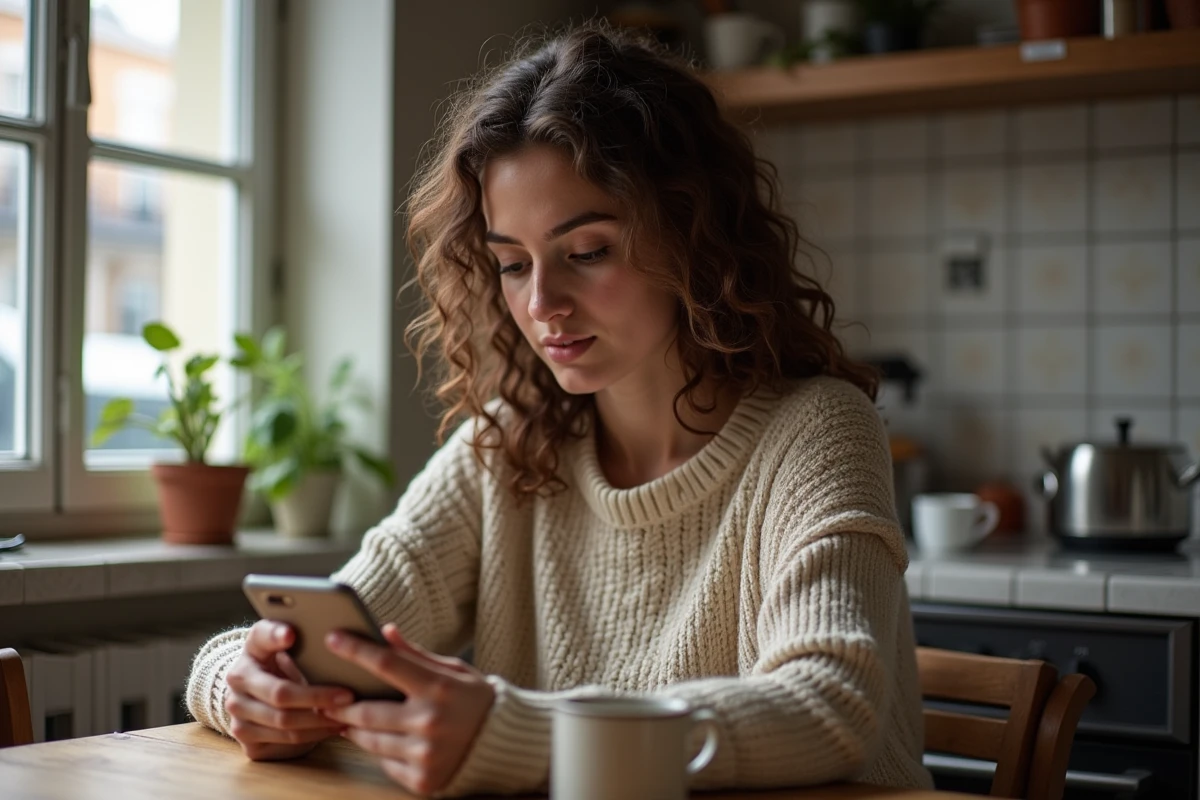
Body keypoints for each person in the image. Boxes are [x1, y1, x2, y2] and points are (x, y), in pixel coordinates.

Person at [185, 21, 932, 798]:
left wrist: (521, 734)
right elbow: (332, 626)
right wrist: (244, 687)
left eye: (587, 252)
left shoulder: (815, 430)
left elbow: (828, 707)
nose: (542, 304)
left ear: (693, 236)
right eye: (512, 264)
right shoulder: (512, 442)